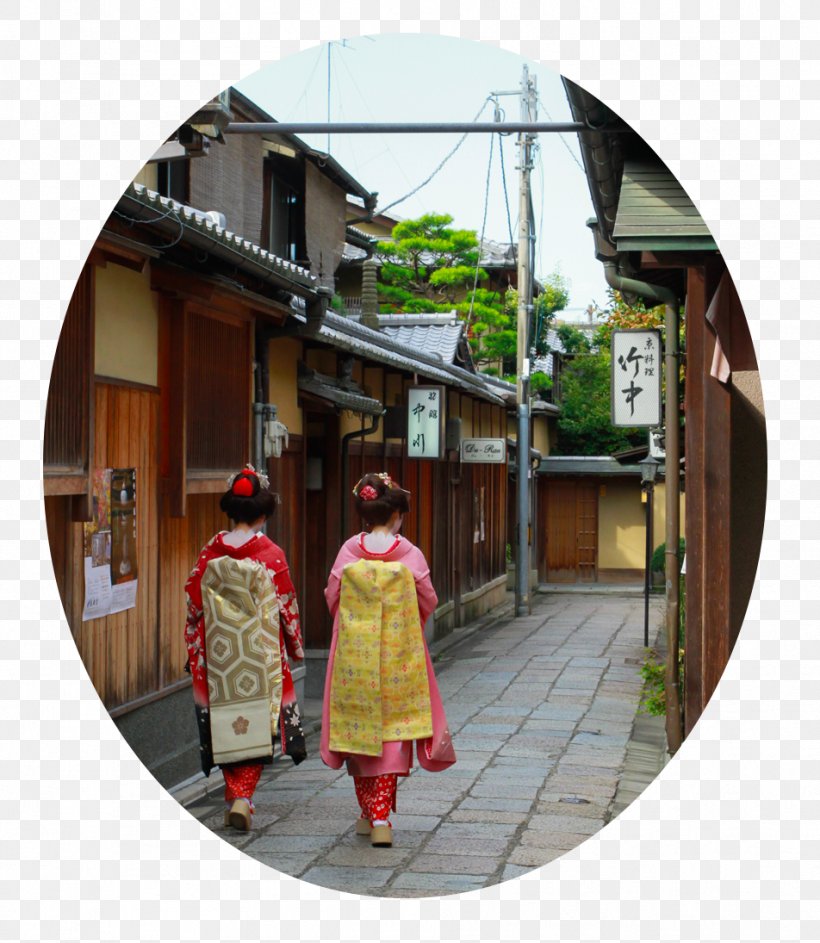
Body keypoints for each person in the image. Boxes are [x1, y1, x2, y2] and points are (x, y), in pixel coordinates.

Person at [320, 471, 456, 848]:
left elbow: (333, 597)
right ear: (396, 514)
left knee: (357, 728)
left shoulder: (350, 551)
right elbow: (428, 599)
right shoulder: (408, 554)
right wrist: (407, 621)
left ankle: (367, 813)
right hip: (399, 653)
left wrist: (354, 623)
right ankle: (380, 816)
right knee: (392, 731)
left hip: (354, 654)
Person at [184, 464, 306, 832]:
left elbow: (193, 602)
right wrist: (294, 644)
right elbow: (286, 603)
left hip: (218, 651)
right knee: (257, 723)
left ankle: (236, 796)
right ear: (264, 514)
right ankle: (242, 797)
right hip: (259, 654)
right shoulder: (270, 553)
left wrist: (196, 642)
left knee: (224, 722)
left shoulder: (211, 551)